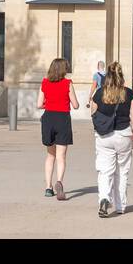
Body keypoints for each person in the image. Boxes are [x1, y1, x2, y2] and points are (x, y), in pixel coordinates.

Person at [91, 61, 133, 218]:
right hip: (123, 134)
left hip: (104, 135)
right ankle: (120, 206)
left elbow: (93, 112)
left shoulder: (99, 93)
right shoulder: (129, 94)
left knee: (105, 170)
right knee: (122, 171)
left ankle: (104, 198)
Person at [37, 57, 79, 200]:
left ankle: (48, 187)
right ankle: (59, 181)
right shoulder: (67, 83)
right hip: (62, 119)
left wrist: (49, 104)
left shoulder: (44, 82)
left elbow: (39, 104)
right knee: (61, 156)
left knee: (50, 155)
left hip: (48, 118)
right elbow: (75, 105)